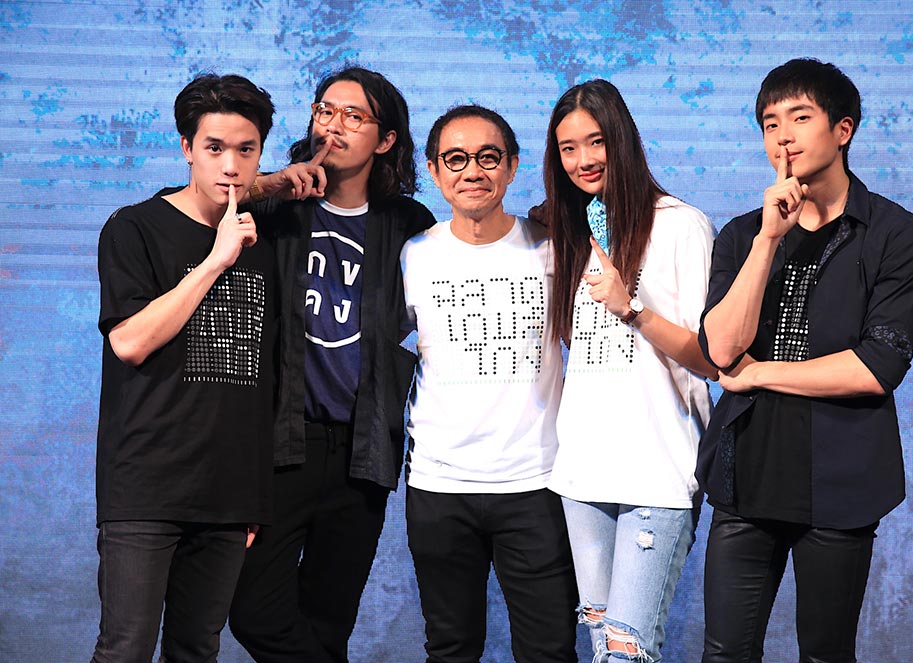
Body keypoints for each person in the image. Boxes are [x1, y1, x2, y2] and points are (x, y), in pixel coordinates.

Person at [697, 58, 913, 663]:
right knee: (724, 653)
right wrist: (768, 240)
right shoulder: (742, 235)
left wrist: (757, 374)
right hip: (746, 474)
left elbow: (875, 368)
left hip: (841, 482)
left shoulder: (897, 235)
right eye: (770, 123)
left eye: (800, 118)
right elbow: (720, 350)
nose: (783, 136)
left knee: (825, 655)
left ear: (843, 129)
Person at [226, 68, 435, 663]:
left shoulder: (408, 225)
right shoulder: (276, 208)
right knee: (254, 611)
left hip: (363, 450)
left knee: (327, 623)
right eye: (325, 110)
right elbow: (198, 205)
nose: (334, 125)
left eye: (353, 116)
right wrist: (269, 183)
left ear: (386, 139)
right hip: (282, 443)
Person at [93, 73, 277, 662]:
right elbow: (129, 342)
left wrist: (252, 496)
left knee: (197, 649)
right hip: (145, 487)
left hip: (228, 493)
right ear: (186, 148)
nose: (230, 165)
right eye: (214, 148)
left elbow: (264, 380)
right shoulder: (134, 227)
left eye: (246, 149)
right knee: (126, 649)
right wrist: (216, 260)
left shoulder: (265, 242)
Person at [542, 79, 717, 662]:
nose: (583, 160)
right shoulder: (574, 231)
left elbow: (710, 359)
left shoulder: (681, 224)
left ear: (623, 139)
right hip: (583, 473)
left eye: (596, 142)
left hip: (656, 470)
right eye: (568, 148)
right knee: (601, 646)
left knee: (627, 652)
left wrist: (632, 309)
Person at [401, 105, 578, 663]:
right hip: (438, 486)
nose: (472, 171)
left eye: (488, 157)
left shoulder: (553, 248)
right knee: (450, 648)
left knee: (549, 651)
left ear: (512, 166)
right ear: (434, 170)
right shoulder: (413, 255)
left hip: (536, 483)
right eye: (455, 159)